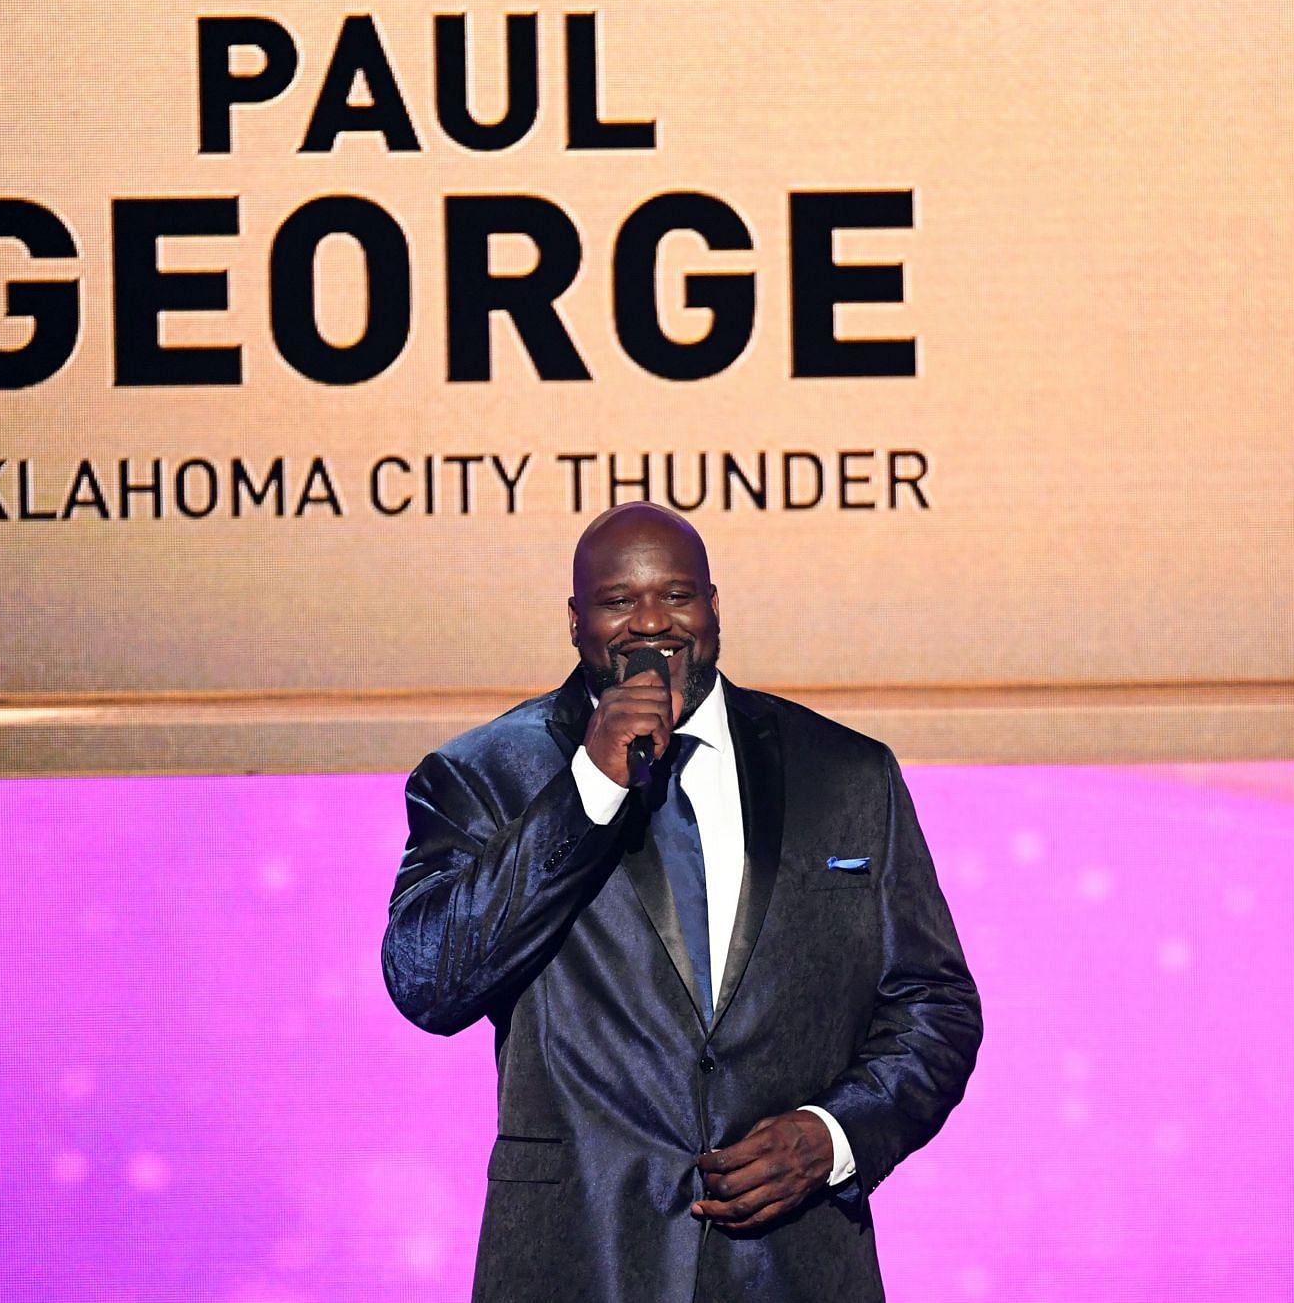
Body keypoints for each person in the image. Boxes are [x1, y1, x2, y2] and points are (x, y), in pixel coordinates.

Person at [381, 501, 980, 1302]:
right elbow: (429, 981)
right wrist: (588, 789)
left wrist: (834, 1136)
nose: (651, 622)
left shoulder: (844, 773)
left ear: (715, 606)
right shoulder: (484, 776)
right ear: (575, 622)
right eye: (619, 602)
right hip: (579, 1262)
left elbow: (934, 1005)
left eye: (677, 595)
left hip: (792, 1264)